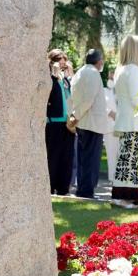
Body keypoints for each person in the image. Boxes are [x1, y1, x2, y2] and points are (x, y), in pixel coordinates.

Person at [70, 49, 113, 199]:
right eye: (102, 60)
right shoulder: (94, 74)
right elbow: (89, 99)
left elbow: (74, 96)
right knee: (91, 160)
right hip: (92, 123)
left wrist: (75, 116)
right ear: (98, 61)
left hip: (83, 122)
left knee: (83, 158)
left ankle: (83, 189)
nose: (102, 62)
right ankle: (86, 191)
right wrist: (76, 115)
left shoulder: (80, 72)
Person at [112, 35, 138, 205]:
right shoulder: (134, 70)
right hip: (134, 123)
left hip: (125, 121)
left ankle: (122, 197)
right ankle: (129, 198)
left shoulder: (122, 69)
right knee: (133, 163)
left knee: (124, 162)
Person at [46, 49, 75, 195]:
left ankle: (63, 188)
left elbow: (71, 99)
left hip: (67, 124)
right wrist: (53, 74)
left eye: (64, 64)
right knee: (53, 157)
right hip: (53, 124)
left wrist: (70, 76)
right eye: (59, 63)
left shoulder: (65, 80)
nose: (62, 67)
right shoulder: (49, 78)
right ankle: (49, 187)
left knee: (66, 157)